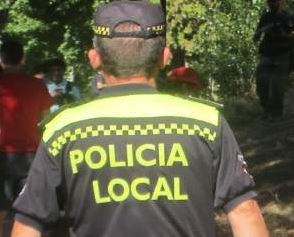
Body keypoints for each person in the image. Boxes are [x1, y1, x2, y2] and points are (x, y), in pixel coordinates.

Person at [11, 1, 269, 237]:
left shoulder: (63, 130)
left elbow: (30, 224)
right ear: (164, 57)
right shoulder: (206, 122)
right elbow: (244, 211)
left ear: (94, 59)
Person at [0, 39, 52, 237]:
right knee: (29, 213)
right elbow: (46, 119)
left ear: (2, 60)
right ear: (23, 59)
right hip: (31, 155)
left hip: (2, 155)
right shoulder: (37, 85)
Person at [253, 0, 294, 120]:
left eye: (275, 1)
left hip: (283, 54)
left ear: (281, 2)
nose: (272, 3)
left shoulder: (287, 17)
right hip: (267, 54)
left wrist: (284, 35)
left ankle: (276, 113)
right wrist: (261, 32)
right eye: (270, 1)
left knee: (277, 85)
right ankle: (266, 109)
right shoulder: (265, 17)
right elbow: (256, 36)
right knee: (261, 83)